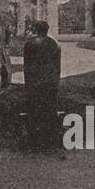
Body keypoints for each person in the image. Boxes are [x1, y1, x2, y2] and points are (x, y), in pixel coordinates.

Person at [21, 20, 62, 149]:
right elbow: (57, 66)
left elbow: (27, 66)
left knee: (34, 108)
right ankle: (50, 136)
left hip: (34, 82)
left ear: (36, 29)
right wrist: (55, 82)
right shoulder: (54, 43)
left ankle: (34, 135)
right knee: (49, 108)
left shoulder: (30, 44)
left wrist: (28, 83)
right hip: (49, 82)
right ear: (47, 29)